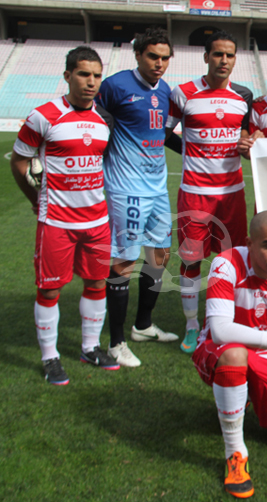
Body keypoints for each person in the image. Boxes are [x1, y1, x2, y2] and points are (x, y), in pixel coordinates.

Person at [10, 46, 119, 384]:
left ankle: (90, 348)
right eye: (84, 74)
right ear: (68, 76)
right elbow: (19, 161)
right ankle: (50, 357)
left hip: (97, 221)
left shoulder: (104, 119)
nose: (91, 82)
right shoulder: (43, 116)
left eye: (97, 75)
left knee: (97, 283)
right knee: (49, 290)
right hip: (57, 221)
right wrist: (35, 198)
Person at [192, 210, 267, 499]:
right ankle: (235, 453)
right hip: (219, 349)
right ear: (249, 243)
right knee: (235, 355)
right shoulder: (226, 264)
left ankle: (247, 396)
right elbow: (220, 331)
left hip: (264, 352)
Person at [97, 28, 182, 367]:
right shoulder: (115, 86)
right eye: (153, 57)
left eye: (164, 58)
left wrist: (196, 150)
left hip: (157, 187)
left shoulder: (164, 90)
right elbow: (95, 124)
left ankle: (143, 326)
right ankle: (116, 342)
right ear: (138, 55)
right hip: (127, 188)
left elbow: (162, 133)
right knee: (124, 262)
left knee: (159, 256)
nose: (159, 64)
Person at [165, 31, 254, 354]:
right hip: (195, 193)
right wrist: (189, 149)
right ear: (206, 57)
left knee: (231, 260)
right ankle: (192, 325)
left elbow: (247, 136)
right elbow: (165, 132)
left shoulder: (243, 96)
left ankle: (224, 321)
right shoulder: (184, 93)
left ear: (235, 59)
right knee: (191, 261)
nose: (223, 60)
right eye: (217, 54)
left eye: (229, 55)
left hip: (232, 194)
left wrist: (246, 146)